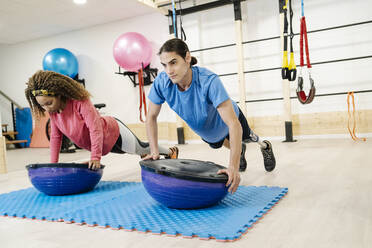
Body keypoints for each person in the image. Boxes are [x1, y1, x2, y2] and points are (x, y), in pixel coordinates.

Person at [144, 38, 276, 194]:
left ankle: (265, 146)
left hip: (230, 121)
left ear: (187, 58)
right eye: (164, 65)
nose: (169, 71)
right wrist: (154, 151)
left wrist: (232, 167)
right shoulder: (162, 82)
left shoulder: (209, 81)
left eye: (173, 62)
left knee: (246, 137)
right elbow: (151, 116)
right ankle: (239, 150)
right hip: (207, 131)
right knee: (218, 143)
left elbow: (234, 124)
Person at [25, 70, 178, 170]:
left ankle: (171, 151)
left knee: (142, 148)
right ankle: (144, 153)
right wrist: (54, 165)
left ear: (59, 94)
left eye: (49, 103)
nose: (47, 109)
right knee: (138, 151)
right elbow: (56, 137)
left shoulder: (80, 101)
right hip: (104, 145)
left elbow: (95, 129)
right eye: (42, 106)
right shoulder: (54, 113)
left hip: (113, 132)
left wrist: (95, 157)